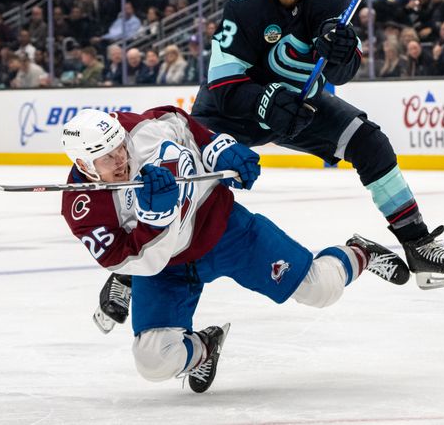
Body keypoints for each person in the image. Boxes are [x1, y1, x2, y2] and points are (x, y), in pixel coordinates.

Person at [190, 0, 444, 290]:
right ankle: (130, 275)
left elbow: (343, 72)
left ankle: (418, 245)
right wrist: (266, 100)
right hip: (231, 112)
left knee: (369, 141)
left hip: (299, 105)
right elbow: (223, 84)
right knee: (187, 173)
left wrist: (339, 52)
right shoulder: (245, 8)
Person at [60, 108, 410, 392]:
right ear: (84, 165)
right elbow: (138, 263)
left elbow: (180, 124)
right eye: (106, 158)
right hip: (166, 269)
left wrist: (217, 148)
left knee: (321, 289)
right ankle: (205, 348)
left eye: (119, 147)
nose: (120, 159)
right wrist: (155, 218)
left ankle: (360, 251)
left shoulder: (137, 131)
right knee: (153, 361)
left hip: (224, 229)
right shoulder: (84, 210)